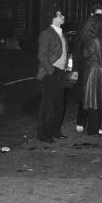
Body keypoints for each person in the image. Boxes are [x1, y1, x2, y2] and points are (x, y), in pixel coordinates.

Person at [36, 9, 68, 143]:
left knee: (59, 104)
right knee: (48, 105)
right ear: (53, 19)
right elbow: (41, 55)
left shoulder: (62, 34)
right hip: (52, 72)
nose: (63, 17)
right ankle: (44, 134)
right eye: (60, 15)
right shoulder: (46, 33)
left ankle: (56, 130)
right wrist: (51, 70)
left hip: (61, 71)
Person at [80, 14, 102, 136]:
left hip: (91, 71)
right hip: (98, 72)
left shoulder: (89, 38)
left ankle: (93, 128)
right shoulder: (97, 40)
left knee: (94, 102)